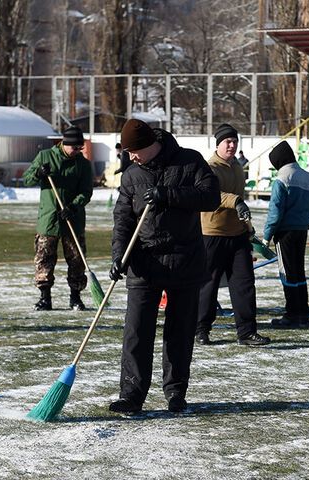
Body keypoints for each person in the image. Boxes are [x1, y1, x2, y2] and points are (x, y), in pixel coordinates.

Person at [108, 119, 220, 415]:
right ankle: (131, 395)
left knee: (180, 332)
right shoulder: (131, 175)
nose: (130, 156)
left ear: (150, 145)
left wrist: (168, 195)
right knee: (136, 332)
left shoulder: (189, 160)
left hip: (185, 259)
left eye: (134, 151)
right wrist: (119, 255)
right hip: (144, 261)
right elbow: (122, 219)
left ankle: (175, 392)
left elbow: (211, 197)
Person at [195, 123, 270, 346]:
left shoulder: (237, 167)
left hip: (237, 235)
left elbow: (241, 200)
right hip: (212, 233)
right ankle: (201, 329)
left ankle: (246, 332)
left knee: (244, 284)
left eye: (235, 141)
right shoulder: (209, 167)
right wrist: (235, 201)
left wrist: (248, 230)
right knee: (208, 285)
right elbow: (211, 195)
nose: (232, 145)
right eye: (227, 141)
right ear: (217, 144)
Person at [22, 126, 93, 311]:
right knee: (44, 258)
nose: (78, 151)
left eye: (80, 148)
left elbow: (86, 192)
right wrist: (38, 173)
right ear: (65, 144)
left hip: (73, 219)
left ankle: (75, 297)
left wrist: (73, 207)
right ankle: (45, 298)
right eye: (75, 148)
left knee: (76, 260)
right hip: (49, 219)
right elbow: (27, 179)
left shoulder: (83, 164)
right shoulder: (45, 157)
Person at [264, 140, 309, 328]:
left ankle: (291, 314)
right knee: (299, 272)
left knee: (287, 273)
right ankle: (303, 313)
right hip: (302, 231)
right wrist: (304, 223)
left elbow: (275, 211)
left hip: (285, 233)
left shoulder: (282, 178)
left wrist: (267, 236)